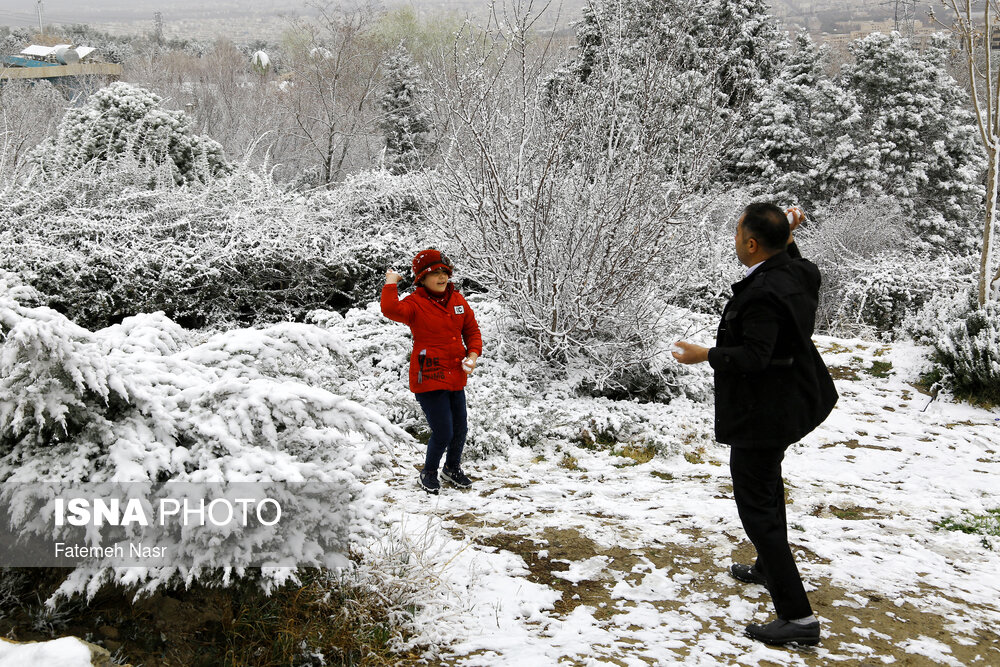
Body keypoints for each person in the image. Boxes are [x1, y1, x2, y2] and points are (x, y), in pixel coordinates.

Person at [672, 203, 838, 647]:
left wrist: (704, 354)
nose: (733, 241)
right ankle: (768, 566)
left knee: (758, 509)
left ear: (750, 244)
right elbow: (798, 263)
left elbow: (755, 358)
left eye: (737, 234)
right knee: (767, 492)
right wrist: (788, 235)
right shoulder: (799, 274)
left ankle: (798, 619)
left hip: (762, 415)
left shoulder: (763, 292)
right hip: (788, 403)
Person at [381, 249, 483, 495]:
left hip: (455, 375)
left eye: (444, 272)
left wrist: (472, 355)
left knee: (460, 428)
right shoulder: (415, 304)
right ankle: (428, 472)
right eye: (434, 273)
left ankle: (452, 468)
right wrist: (390, 284)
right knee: (444, 431)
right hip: (428, 376)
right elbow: (390, 309)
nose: (441, 277)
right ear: (422, 279)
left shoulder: (458, 300)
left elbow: (472, 331)